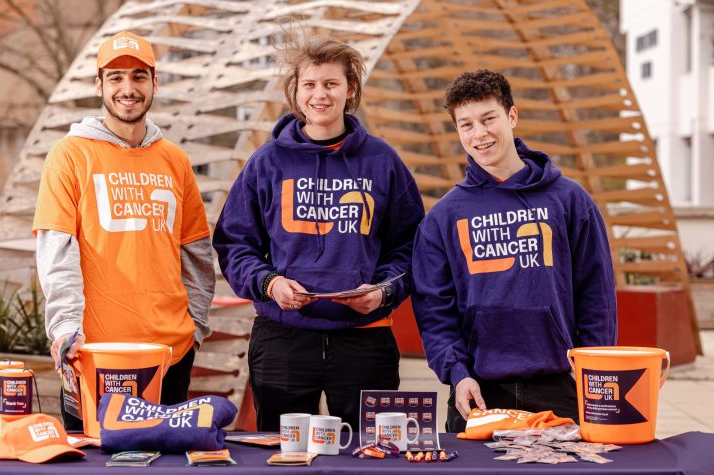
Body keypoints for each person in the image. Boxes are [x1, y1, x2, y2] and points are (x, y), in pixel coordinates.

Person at [213, 33, 424, 431]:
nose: (319, 95)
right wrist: (269, 283)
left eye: (331, 83)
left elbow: (412, 247)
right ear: (296, 91)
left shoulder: (382, 161)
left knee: (374, 456)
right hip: (283, 340)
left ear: (350, 89)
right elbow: (234, 243)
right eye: (309, 84)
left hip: (365, 340)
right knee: (284, 456)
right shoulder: (266, 162)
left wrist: (384, 291)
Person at [411, 69, 617, 433]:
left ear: (512, 116)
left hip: (560, 385)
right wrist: (457, 374)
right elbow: (434, 311)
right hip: (477, 390)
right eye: (466, 125)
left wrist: (593, 370)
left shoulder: (569, 200)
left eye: (489, 119)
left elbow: (596, 293)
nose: (479, 134)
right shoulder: (443, 217)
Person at [32, 31, 215, 426]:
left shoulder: (175, 160)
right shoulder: (70, 155)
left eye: (138, 76)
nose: (127, 88)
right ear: (99, 84)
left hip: (170, 355)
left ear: (154, 83)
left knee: (164, 469)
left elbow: (196, 252)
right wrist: (65, 328)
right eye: (115, 78)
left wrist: (193, 331)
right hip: (96, 355)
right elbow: (57, 251)